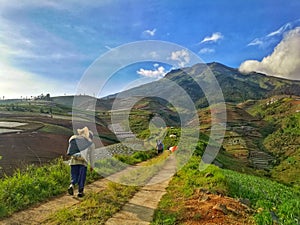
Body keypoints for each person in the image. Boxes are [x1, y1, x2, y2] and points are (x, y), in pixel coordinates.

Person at [67, 127, 95, 197]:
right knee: (81, 177)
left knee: (74, 175)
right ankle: (80, 192)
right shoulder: (91, 144)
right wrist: (92, 166)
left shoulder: (75, 139)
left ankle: (72, 185)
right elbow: (92, 156)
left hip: (73, 161)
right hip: (83, 163)